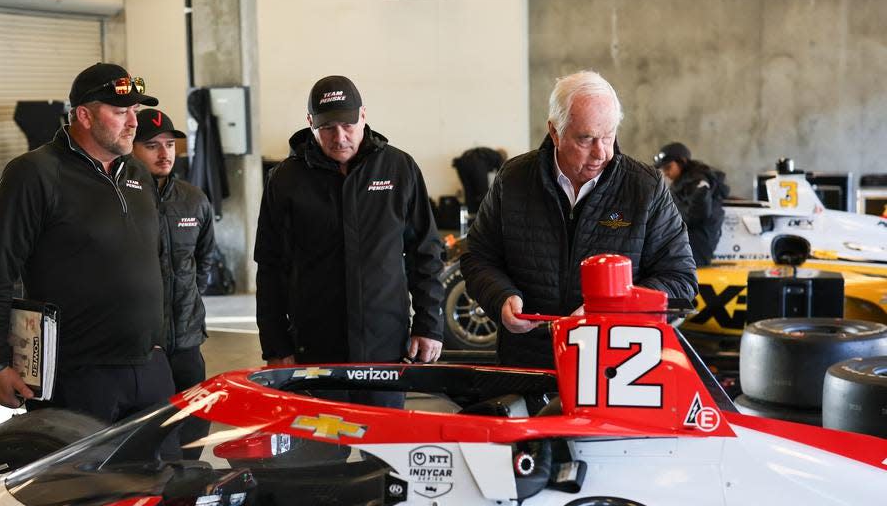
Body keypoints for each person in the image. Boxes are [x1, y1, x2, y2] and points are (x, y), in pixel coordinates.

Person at [0, 62, 174, 424]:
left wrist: (161, 339)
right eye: (119, 112)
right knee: (81, 482)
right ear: (84, 115)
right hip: (78, 374)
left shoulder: (137, 173)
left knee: (159, 479)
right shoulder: (35, 173)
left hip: (149, 366)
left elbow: (155, 260)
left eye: (135, 111)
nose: (133, 122)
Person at [461, 70, 697, 369]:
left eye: (609, 136)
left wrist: (609, 310)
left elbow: (680, 279)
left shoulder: (645, 188)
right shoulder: (514, 180)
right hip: (527, 364)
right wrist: (500, 297)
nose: (601, 153)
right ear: (555, 131)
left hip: (616, 368)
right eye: (586, 139)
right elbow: (477, 256)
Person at [254, 75, 444, 404]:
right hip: (315, 350)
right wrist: (276, 346)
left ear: (364, 116)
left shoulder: (399, 168)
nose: (339, 137)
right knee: (323, 452)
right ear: (310, 123)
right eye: (327, 127)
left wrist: (429, 325)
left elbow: (424, 253)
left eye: (348, 125)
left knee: (387, 450)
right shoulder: (285, 180)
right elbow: (270, 268)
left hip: (384, 347)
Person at [131, 108, 216, 396]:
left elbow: (204, 259)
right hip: (139, 346)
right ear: (130, 147)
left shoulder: (194, 199)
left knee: (192, 425)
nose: (164, 153)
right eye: (151, 145)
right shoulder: (120, 199)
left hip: (187, 339)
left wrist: (190, 296)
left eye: (169, 144)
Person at [653, 142, 728, 267]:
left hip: (697, 245)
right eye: (663, 169)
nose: (665, 173)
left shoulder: (698, 182)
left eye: (668, 167)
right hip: (688, 242)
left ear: (682, 162)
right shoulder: (683, 183)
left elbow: (697, 215)